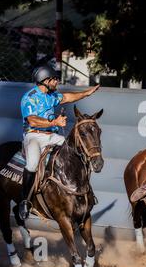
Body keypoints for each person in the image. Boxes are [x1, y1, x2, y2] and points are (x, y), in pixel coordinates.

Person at [19, 65, 100, 219]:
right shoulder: (29, 97)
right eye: (55, 79)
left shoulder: (52, 96)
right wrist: (55, 122)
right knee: (32, 164)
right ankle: (24, 201)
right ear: (45, 80)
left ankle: (83, 191)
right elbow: (32, 120)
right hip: (34, 136)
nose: (57, 82)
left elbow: (69, 97)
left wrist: (87, 93)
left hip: (52, 135)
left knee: (76, 152)